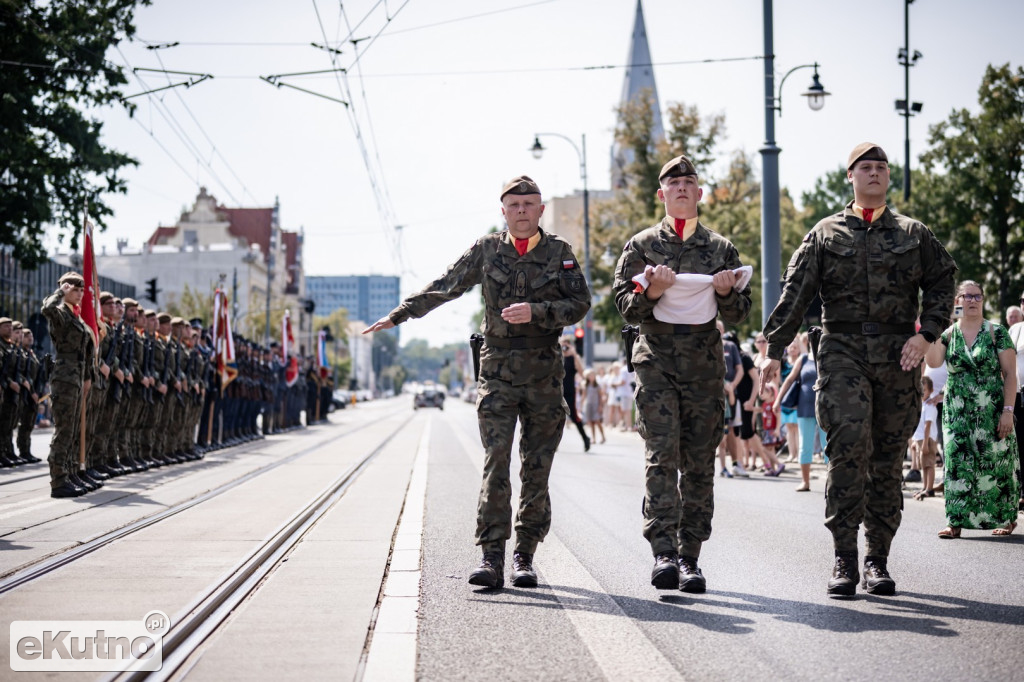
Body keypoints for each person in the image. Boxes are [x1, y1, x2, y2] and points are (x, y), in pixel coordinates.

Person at [363, 175, 590, 589]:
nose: (522, 210)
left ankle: (524, 555)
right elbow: (447, 285)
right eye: (514, 204)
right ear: (502, 211)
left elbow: (580, 304)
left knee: (537, 468)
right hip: (498, 370)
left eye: (530, 204)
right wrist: (400, 314)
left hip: (543, 373)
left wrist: (538, 312)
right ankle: (491, 556)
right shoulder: (487, 250)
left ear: (541, 210)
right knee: (496, 463)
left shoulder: (560, 252)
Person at [760, 142, 957, 598]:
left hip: (898, 352)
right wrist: (774, 349)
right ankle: (844, 557)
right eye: (865, 168)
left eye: (881, 168)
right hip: (842, 347)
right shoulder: (826, 233)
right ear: (850, 176)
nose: (874, 174)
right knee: (849, 448)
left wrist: (926, 334)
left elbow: (943, 279)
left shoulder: (914, 233)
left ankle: (877, 560)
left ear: (888, 178)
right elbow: (796, 291)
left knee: (887, 460)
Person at [613, 154, 751, 593]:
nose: (682, 189)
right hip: (655, 360)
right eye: (673, 184)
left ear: (700, 193)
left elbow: (741, 313)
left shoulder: (720, 248)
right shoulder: (640, 246)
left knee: (698, 464)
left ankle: (690, 556)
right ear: (662, 194)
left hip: (704, 365)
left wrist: (728, 295)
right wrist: (651, 290)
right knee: (661, 455)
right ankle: (663, 553)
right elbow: (623, 303)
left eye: (689, 182)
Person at [926, 280, 1020, 538]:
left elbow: (1011, 374)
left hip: (991, 409)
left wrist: (1008, 411)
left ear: (983, 299)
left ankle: (1006, 518)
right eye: (966, 297)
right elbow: (933, 361)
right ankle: (954, 520)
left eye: (977, 296)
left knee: (996, 462)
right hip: (957, 411)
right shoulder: (948, 334)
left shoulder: (997, 332)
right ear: (958, 301)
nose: (972, 301)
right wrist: (934, 327)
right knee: (957, 461)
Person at [41, 272, 97, 498]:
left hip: (77, 377)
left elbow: (86, 351)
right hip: (64, 377)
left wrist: (87, 377)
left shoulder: (77, 317)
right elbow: (46, 308)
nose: (80, 293)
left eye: (82, 290)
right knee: (64, 429)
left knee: (74, 428)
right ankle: (58, 481)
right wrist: (59, 293)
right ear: (65, 289)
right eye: (75, 289)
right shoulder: (61, 312)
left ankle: (70, 472)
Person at [776, 335, 827, 492]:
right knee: (805, 446)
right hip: (805, 408)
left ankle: (832, 482)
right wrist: (778, 400)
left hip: (826, 408)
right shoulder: (804, 359)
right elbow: (790, 379)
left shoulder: (828, 357)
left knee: (829, 447)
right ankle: (805, 482)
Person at [910, 375, 938, 501]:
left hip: (928, 439)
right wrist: (916, 441)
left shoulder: (930, 406)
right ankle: (925, 487)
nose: (922, 393)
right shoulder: (922, 405)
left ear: (931, 391)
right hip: (921, 439)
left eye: (925, 390)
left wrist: (926, 443)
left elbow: (927, 426)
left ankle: (930, 489)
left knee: (929, 464)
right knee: (923, 464)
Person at [560, 339, 591, 451]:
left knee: (574, 417)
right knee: (556, 418)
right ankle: (553, 443)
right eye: (563, 346)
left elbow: (582, 372)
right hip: (557, 392)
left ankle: (585, 438)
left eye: (566, 346)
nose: (564, 348)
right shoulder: (558, 357)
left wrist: (574, 354)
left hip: (569, 392)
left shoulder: (573, 358)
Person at [1009, 289, 1024, 512]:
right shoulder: (1015, 330)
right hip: (1019, 394)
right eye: (1023, 300)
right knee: (1019, 445)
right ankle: (1021, 492)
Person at [581, 368, 606, 445]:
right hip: (588, 405)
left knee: (597, 421)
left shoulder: (597, 386)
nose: (591, 377)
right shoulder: (585, 385)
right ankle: (593, 438)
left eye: (593, 375)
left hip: (596, 405)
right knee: (590, 422)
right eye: (590, 375)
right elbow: (584, 396)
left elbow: (601, 396)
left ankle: (603, 436)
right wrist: (581, 405)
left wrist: (600, 406)